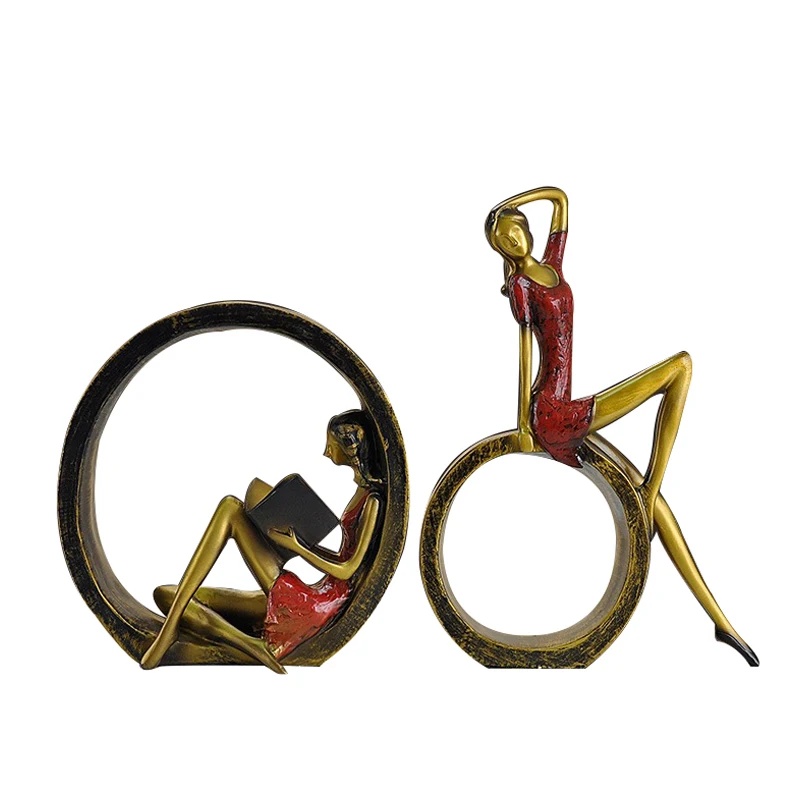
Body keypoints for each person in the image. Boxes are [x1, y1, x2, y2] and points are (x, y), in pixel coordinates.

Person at [485, 188, 758, 665]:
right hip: (552, 412)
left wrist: (505, 205)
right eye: (502, 242)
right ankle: (648, 493)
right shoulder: (523, 288)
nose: (513, 241)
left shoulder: (553, 264)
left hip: (567, 407)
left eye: (515, 230)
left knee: (662, 509)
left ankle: (721, 622)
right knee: (679, 368)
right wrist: (521, 425)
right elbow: (525, 352)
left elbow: (560, 200)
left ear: (526, 227)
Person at [139, 410, 383, 672]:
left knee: (231, 508)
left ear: (351, 448)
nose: (326, 452)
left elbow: (348, 570)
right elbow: (342, 559)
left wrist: (299, 548)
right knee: (166, 594)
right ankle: (245, 642)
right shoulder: (362, 491)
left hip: (316, 606)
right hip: (317, 593)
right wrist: (300, 542)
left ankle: (177, 633)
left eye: (331, 445)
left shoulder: (372, 501)